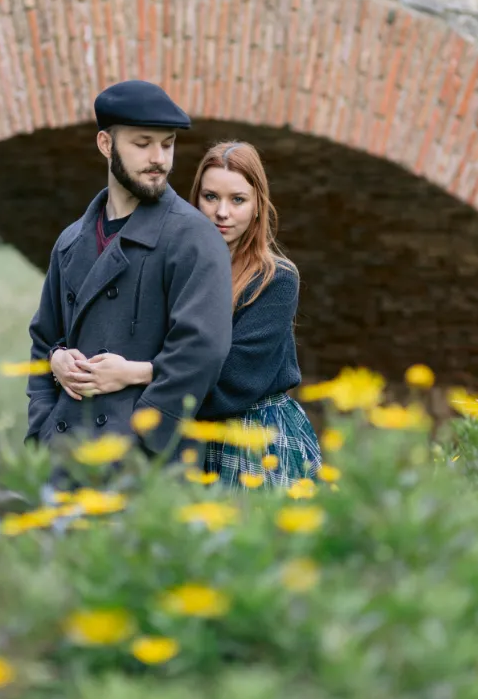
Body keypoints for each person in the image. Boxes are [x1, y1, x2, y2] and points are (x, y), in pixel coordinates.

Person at [26, 80, 234, 459]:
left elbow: (203, 351)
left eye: (167, 144)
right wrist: (43, 417)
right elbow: (42, 340)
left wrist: (142, 439)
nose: (160, 158)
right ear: (106, 145)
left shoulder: (194, 237)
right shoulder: (70, 242)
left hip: (142, 470)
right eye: (143, 144)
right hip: (63, 458)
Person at [190, 141, 321, 485]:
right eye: (210, 197)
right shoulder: (179, 272)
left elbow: (235, 377)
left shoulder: (275, 279)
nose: (222, 212)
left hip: (256, 436)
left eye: (237, 200)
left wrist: (142, 376)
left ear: (258, 207)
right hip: (189, 436)